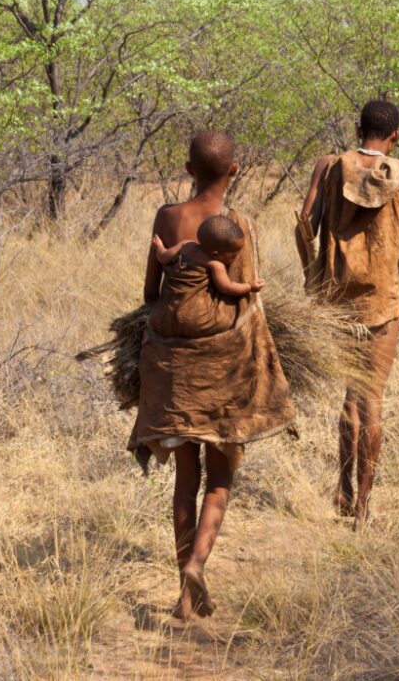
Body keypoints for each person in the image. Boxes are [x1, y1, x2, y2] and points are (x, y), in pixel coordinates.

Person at [130, 130, 294, 620]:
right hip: (222, 363)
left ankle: (184, 588)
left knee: (185, 475)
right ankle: (197, 567)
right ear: (235, 170)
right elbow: (245, 298)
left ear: (188, 169)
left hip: (171, 362)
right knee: (220, 477)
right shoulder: (238, 225)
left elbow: (149, 292)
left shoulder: (167, 217)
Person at [296, 99, 399, 525]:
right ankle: (364, 505)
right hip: (382, 302)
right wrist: (387, 271)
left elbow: (304, 222)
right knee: (372, 402)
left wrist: (316, 274)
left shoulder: (329, 166)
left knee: (350, 397)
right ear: (395, 135)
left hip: (337, 303)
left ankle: (342, 490)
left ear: (357, 127)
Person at [151, 214, 267, 302]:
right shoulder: (215, 265)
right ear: (215, 254)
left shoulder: (185, 245)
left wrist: (159, 246)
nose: (236, 258)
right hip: (195, 316)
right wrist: (249, 286)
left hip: (166, 309)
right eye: (233, 255)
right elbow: (227, 288)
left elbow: (162, 257)